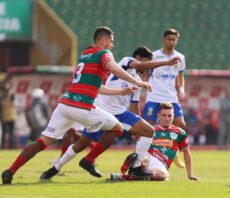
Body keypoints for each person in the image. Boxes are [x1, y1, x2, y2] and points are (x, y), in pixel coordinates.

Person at [1, 26, 152, 185]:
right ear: (103, 40)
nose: (112, 45)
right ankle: (89, 160)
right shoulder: (104, 53)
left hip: (65, 104)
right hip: (83, 106)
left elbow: (96, 87)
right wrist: (137, 81)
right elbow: (113, 67)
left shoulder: (85, 55)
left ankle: (10, 171)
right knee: (117, 128)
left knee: (42, 142)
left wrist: (120, 92)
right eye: (111, 41)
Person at [40, 46, 180, 180]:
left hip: (120, 114)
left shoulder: (138, 81)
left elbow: (134, 105)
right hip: (101, 110)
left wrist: (136, 128)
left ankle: (135, 167)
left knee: (148, 131)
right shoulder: (125, 62)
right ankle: (55, 168)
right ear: (137, 58)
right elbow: (140, 66)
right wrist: (166, 62)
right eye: (147, 62)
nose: (148, 68)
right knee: (81, 144)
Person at [111, 102, 199, 181]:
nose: (167, 118)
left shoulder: (180, 132)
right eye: (164, 115)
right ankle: (134, 163)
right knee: (143, 159)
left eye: (169, 115)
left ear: (173, 116)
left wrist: (190, 174)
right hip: (148, 156)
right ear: (158, 115)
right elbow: (139, 142)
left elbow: (186, 152)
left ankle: (126, 176)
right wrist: (136, 136)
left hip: (162, 163)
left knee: (162, 175)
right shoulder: (150, 130)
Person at [142, 29, 187, 167]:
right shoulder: (155, 55)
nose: (171, 42)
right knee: (146, 125)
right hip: (154, 96)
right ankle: (144, 153)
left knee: (181, 124)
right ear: (164, 39)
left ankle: (173, 154)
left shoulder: (180, 57)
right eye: (169, 39)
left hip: (171, 96)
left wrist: (181, 89)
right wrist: (143, 83)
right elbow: (146, 71)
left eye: (174, 39)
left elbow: (180, 75)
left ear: (176, 41)